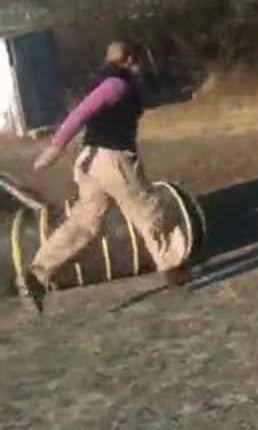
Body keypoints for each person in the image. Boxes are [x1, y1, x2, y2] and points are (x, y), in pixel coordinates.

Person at [18, 40, 191, 313]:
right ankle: (174, 268)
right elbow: (79, 115)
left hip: (91, 162)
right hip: (114, 161)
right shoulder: (117, 85)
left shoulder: (110, 83)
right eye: (139, 61)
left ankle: (37, 274)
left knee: (85, 225)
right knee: (148, 209)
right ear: (129, 60)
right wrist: (55, 148)